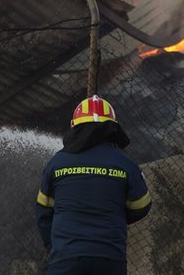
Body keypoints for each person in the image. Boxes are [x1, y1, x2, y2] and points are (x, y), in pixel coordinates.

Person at [36, 95, 151, 275]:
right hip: (110, 258)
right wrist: (115, 214)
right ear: (113, 129)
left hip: (66, 257)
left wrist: (55, 246)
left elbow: (43, 212)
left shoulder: (57, 163)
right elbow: (142, 206)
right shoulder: (126, 164)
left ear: (75, 127)